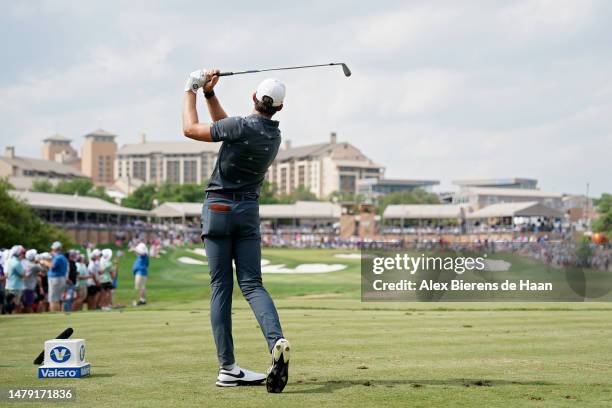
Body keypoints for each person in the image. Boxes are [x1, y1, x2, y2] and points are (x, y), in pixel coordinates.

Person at [182, 69, 290, 392]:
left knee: (221, 288)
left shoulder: (241, 126)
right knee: (253, 285)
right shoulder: (273, 136)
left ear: (254, 98)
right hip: (247, 212)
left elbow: (190, 129)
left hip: (216, 210)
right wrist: (210, 95)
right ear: (279, 109)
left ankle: (227, 367)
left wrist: (190, 88)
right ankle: (276, 341)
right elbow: (229, 130)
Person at [46, 241, 68, 312]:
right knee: (59, 298)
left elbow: (52, 266)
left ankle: (55, 315)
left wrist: (43, 262)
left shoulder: (58, 257)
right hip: (61, 278)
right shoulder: (62, 257)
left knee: (53, 299)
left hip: (55, 279)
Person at [5, 245, 25, 314]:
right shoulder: (16, 263)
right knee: (15, 305)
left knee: (10, 304)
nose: (23, 255)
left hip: (9, 286)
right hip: (16, 287)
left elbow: (6, 274)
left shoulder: (9, 261)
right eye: (22, 253)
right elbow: (23, 274)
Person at [22, 249, 40, 313]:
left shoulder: (24, 262)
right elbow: (42, 270)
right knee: (29, 305)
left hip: (25, 287)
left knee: (25, 305)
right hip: (28, 287)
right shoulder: (34, 266)